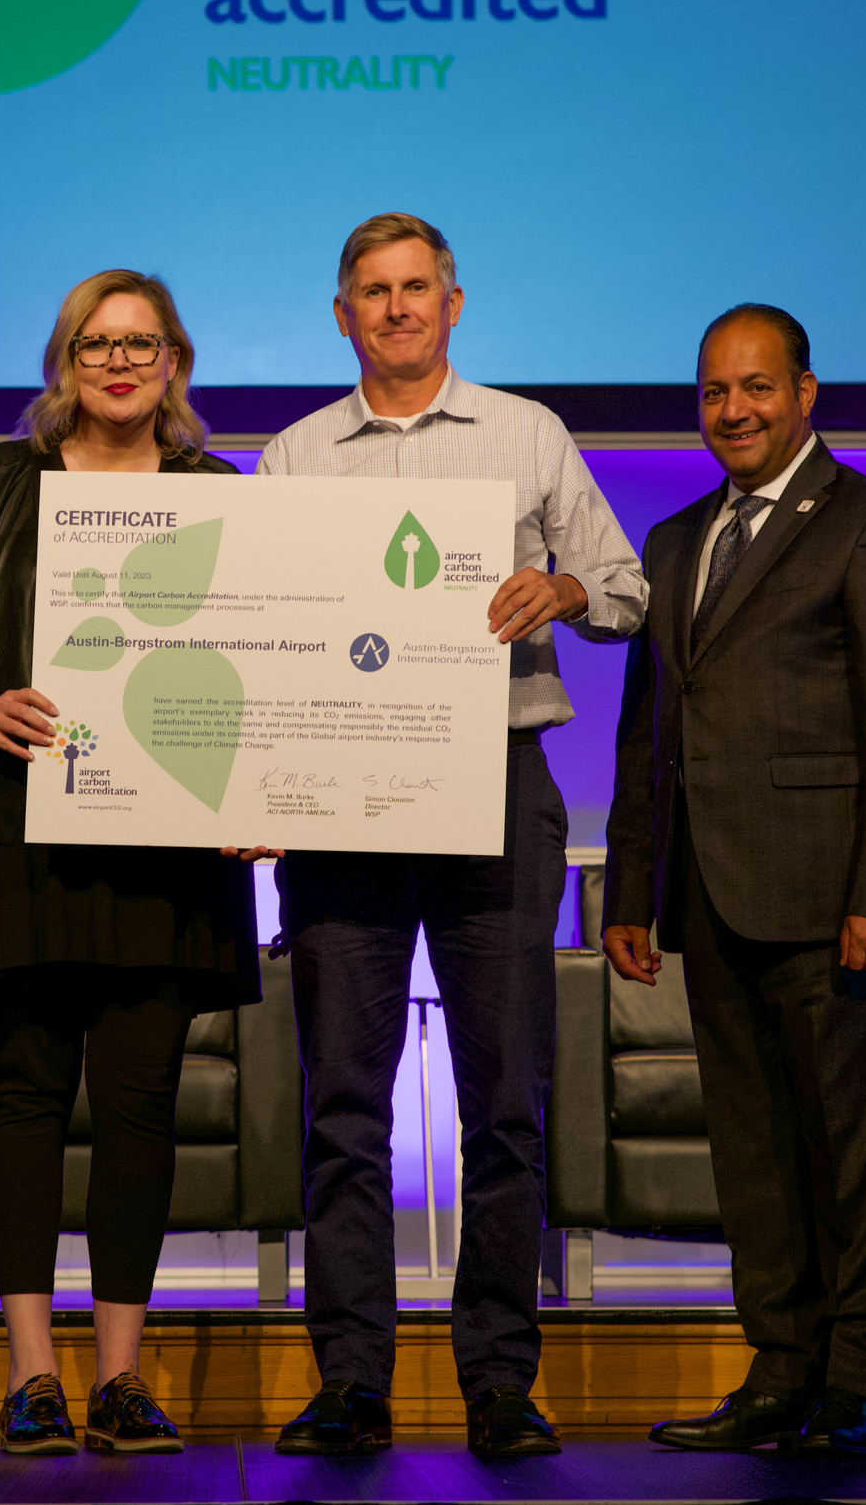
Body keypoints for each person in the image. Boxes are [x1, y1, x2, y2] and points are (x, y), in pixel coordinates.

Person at [257, 213, 646, 1460]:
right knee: (343, 1107)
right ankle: (352, 1381)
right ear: (343, 316)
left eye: (416, 286)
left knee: (507, 1103)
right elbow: (259, 638)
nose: (397, 307)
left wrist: (565, 588)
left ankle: (498, 1381)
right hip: (342, 798)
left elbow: (628, 591)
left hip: (495, 783)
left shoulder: (528, 433)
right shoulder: (293, 456)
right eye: (373, 291)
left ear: (453, 302)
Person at [0, 270, 259, 1457]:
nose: (119, 363)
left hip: (168, 847)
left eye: (141, 343)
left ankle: (124, 1376)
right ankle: (34, 1373)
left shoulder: (222, 494)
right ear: (65, 363)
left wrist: (265, 785)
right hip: (18, 834)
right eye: (96, 344)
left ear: (174, 362)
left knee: (141, 1105)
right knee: (26, 1094)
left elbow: (268, 658)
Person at [603, 304, 866, 1459]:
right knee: (752, 1157)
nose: (733, 409)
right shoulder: (672, 541)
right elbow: (650, 733)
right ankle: (780, 1366)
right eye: (714, 391)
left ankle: (856, 1383)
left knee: (853, 1152)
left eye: (757, 386)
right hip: (709, 897)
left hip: (835, 900)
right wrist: (629, 890)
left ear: (806, 393)